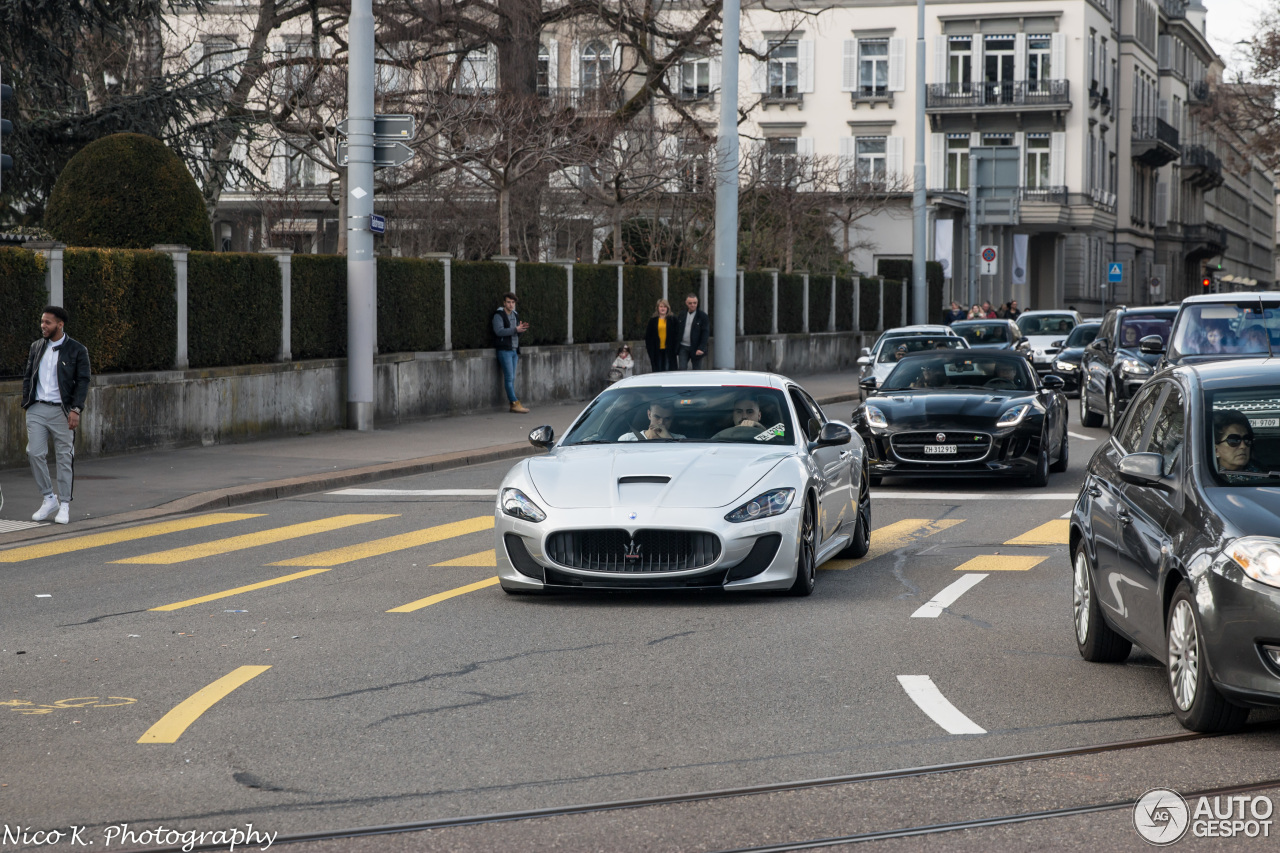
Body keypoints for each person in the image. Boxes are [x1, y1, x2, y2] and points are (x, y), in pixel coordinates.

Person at [21, 305, 91, 525]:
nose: (43, 326)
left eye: (48, 322)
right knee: (34, 452)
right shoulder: (36, 347)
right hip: (37, 409)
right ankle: (48, 498)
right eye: (42, 321)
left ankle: (65, 505)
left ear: (60, 325)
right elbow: (28, 376)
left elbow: (83, 381)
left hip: (63, 411)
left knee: (64, 457)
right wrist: (27, 402)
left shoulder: (77, 350)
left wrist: (75, 409)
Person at [493, 291, 530, 413]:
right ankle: (514, 403)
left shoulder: (515, 314)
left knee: (512, 378)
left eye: (513, 302)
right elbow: (499, 331)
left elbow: (515, 332)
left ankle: (513, 404)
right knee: (509, 378)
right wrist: (515, 329)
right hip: (504, 350)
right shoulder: (499, 315)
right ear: (504, 303)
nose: (511, 305)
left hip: (514, 350)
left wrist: (521, 329)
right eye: (508, 302)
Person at [674, 293, 709, 370]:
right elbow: (677, 330)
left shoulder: (702, 316)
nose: (692, 305)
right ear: (686, 303)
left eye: (695, 303)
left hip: (696, 348)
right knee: (682, 369)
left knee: (697, 370)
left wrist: (701, 348)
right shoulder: (682, 314)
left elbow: (705, 333)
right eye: (690, 303)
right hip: (683, 346)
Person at [619, 400, 685, 441]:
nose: (661, 422)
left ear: (672, 419)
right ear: (649, 415)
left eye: (667, 418)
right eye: (657, 417)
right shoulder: (627, 439)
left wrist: (669, 439)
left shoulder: (680, 440)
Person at [643, 299, 677, 372]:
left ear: (668, 308)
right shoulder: (652, 321)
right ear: (657, 308)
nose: (663, 308)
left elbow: (677, 335)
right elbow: (648, 336)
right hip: (656, 350)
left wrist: (676, 348)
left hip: (669, 351)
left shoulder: (673, 319)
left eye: (665, 306)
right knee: (658, 370)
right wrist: (650, 349)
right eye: (661, 306)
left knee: (668, 370)